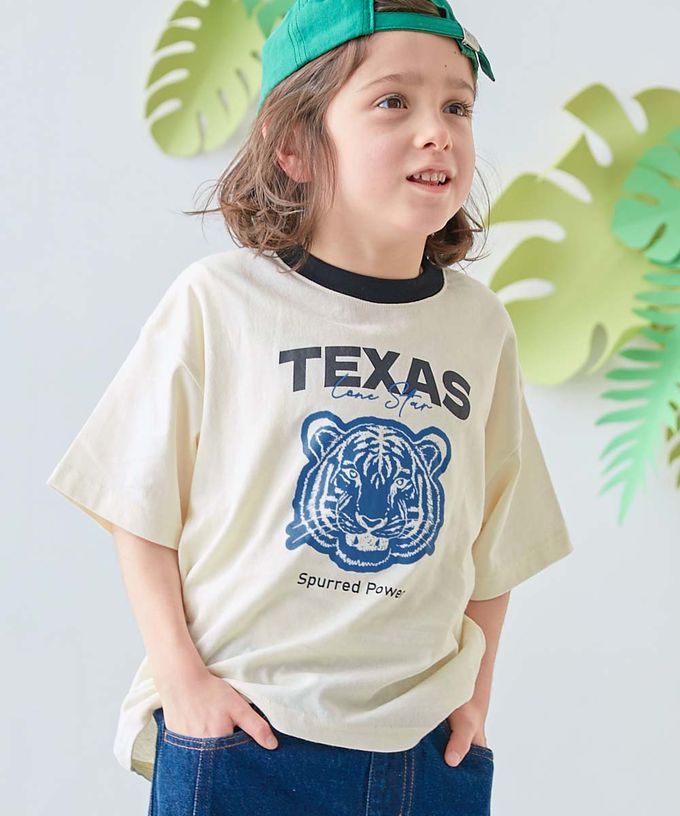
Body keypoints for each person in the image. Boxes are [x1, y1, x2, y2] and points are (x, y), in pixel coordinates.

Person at [46, 1, 573, 814]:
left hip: (422, 746)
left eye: (457, 106)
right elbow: (136, 504)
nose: (437, 132)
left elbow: (496, 537)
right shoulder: (221, 301)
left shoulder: (478, 327)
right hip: (246, 730)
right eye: (393, 101)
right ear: (292, 144)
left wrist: (475, 697)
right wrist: (183, 682)